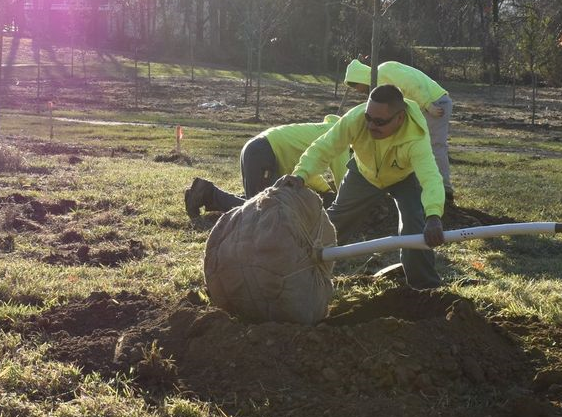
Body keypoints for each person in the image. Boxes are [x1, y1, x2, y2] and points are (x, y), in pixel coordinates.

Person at [290, 84, 445, 288]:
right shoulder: (355, 120)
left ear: (399, 118)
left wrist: (433, 215)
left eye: (380, 121)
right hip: (364, 173)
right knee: (334, 222)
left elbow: (430, 177)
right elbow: (324, 147)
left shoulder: (416, 136)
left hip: (404, 177)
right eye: (368, 118)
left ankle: (425, 288)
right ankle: (299, 275)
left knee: (414, 228)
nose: (371, 126)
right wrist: (300, 175)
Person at [184, 116, 350, 217]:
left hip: (259, 149)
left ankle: (208, 194)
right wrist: (342, 202)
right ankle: (208, 194)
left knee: (263, 201)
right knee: (261, 209)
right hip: (263, 152)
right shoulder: (340, 138)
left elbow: (309, 171)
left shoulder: (327, 130)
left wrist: (326, 191)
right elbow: (345, 180)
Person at [344, 58, 455, 201]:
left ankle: (444, 191)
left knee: (433, 146)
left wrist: (429, 105)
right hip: (422, 107)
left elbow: (412, 83)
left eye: (359, 86)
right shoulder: (378, 83)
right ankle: (416, 185)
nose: (360, 91)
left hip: (435, 103)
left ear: (361, 78)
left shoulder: (383, 71)